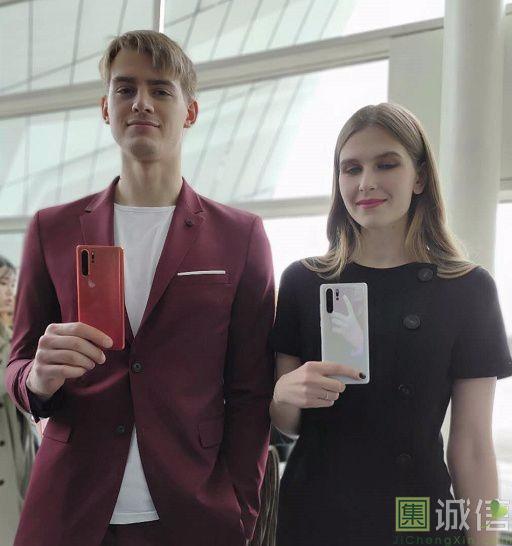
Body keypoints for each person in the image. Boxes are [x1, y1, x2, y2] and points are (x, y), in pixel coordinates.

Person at [5, 30, 275, 546]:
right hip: (69, 510)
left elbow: (251, 389)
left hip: (193, 511)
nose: (141, 103)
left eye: (160, 90)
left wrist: (240, 506)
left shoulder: (239, 236)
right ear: (105, 108)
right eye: (125, 89)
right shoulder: (51, 230)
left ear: (190, 112)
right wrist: (36, 378)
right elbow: (17, 365)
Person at [270, 103, 512, 546]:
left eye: (386, 164)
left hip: (416, 514)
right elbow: (289, 423)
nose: (366, 182)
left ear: (419, 177)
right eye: (351, 168)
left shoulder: (468, 288)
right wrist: (283, 392)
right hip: (317, 513)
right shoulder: (302, 281)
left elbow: (475, 448)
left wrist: (488, 542)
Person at [0, 256, 36, 545]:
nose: (10, 292)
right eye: (3, 283)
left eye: (13, 283)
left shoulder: (13, 334)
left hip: (19, 457)